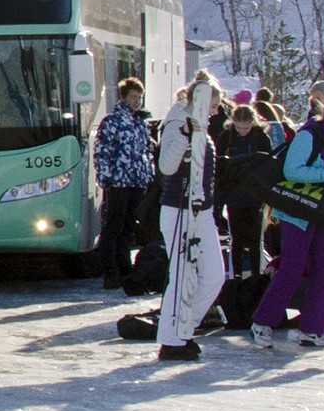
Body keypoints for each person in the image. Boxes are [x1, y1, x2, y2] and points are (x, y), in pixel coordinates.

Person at [251, 95, 324, 349]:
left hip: (319, 213)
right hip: (298, 211)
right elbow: (292, 170)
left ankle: (312, 329)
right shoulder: (308, 136)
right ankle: (262, 322)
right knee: (292, 267)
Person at [155, 73, 225, 362]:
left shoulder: (201, 125)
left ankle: (182, 328)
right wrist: (184, 136)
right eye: (214, 104)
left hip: (201, 209)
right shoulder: (177, 121)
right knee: (182, 275)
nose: (217, 111)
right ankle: (172, 338)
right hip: (178, 208)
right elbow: (167, 167)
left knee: (213, 275)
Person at [92, 77, 154, 290]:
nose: (137, 101)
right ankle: (111, 271)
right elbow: (102, 150)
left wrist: (148, 173)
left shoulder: (141, 123)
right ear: (124, 97)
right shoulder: (112, 121)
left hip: (136, 180)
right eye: (133, 97)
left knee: (128, 227)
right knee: (114, 227)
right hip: (118, 181)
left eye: (140, 97)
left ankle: (125, 268)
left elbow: (147, 150)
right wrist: (106, 177)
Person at [217, 98, 273, 288]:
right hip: (234, 195)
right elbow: (220, 165)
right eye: (239, 127)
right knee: (237, 240)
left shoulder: (261, 138)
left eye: (246, 127)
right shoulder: (227, 137)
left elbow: (268, 165)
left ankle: (257, 277)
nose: (243, 131)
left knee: (255, 239)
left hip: (255, 195)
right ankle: (237, 278)